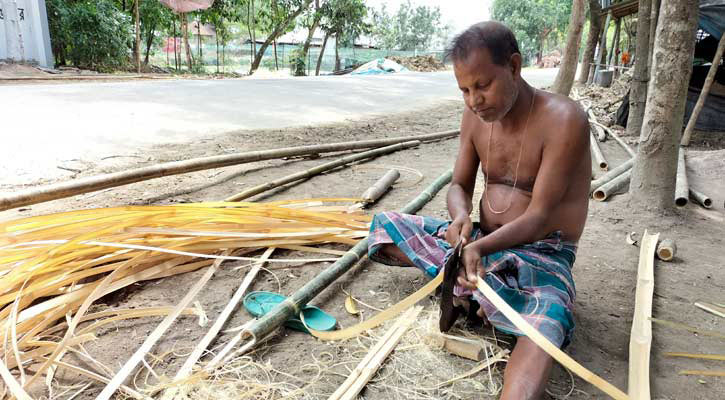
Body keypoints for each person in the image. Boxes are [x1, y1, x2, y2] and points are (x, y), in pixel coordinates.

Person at [368, 21, 591, 400]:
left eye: (483, 86)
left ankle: (472, 288)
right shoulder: (474, 117)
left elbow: (538, 217)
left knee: (548, 320)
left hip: (542, 252)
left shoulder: (564, 119)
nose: (474, 100)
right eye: (465, 90)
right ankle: (478, 289)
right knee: (385, 226)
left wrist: (476, 250)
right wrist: (459, 220)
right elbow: (459, 185)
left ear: (515, 67)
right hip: (482, 242)